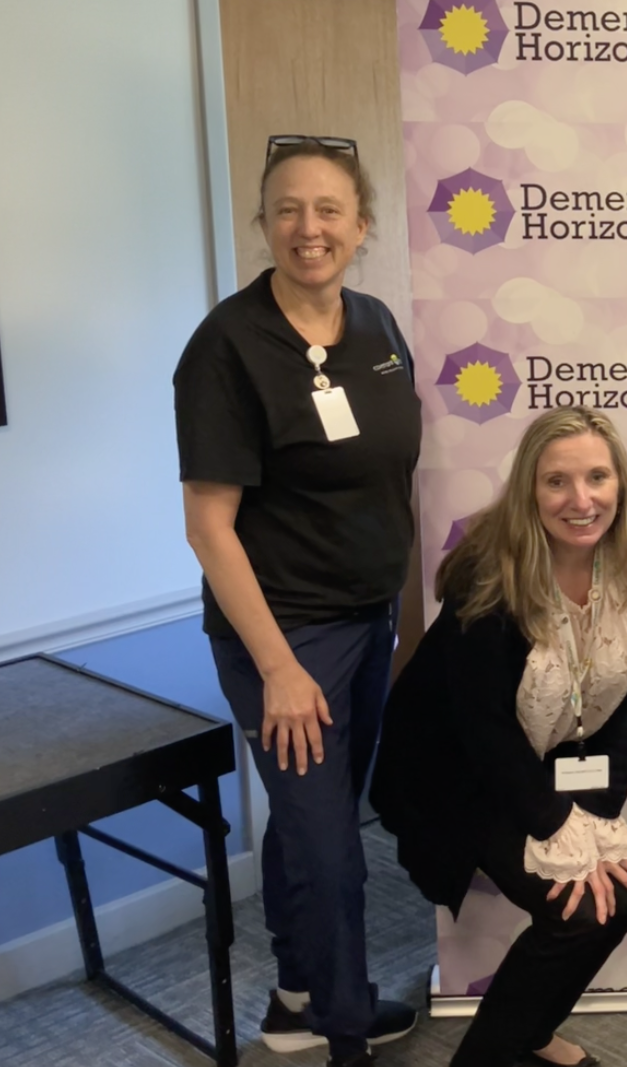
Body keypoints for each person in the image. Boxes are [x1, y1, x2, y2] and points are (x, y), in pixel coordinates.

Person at [174, 135, 420, 1067]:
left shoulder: (379, 326)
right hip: (286, 635)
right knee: (331, 848)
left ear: (361, 224)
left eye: (328, 210)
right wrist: (277, 667)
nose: (307, 228)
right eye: (287, 209)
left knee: (313, 815)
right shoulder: (227, 348)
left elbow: (390, 478)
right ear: (264, 223)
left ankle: (294, 998)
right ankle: (346, 1034)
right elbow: (209, 526)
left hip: (369, 618)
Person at [371, 407, 627, 1067]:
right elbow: (480, 725)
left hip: (550, 755)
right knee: (580, 914)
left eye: (598, 477)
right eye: (556, 482)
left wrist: (596, 814)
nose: (581, 500)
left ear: (621, 481)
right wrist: (554, 822)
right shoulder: (491, 568)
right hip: (453, 770)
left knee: (615, 904)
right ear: (528, 491)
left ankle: (532, 1033)